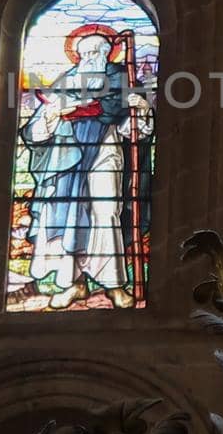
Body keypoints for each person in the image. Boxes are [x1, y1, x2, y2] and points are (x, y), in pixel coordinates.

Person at [20, 32, 152, 309]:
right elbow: (34, 132)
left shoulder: (123, 79)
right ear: (77, 55)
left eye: (98, 52)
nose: (92, 58)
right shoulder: (66, 81)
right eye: (86, 53)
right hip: (66, 157)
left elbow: (136, 131)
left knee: (107, 211)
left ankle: (115, 285)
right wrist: (53, 114)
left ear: (108, 54)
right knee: (70, 215)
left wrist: (140, 110)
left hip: (106, 150)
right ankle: (73, 283)